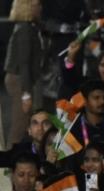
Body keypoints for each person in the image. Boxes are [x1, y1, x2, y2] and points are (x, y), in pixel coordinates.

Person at [5, 0, 46, 147]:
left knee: (24, 122)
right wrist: (26, 94)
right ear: (28, 7)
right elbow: (24, 64)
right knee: (20, 124)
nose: (40, 7)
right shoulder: (25, 29)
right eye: (37, 4)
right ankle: (10, 163)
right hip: (20, 79)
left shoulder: (31, 27)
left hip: (22, 78)